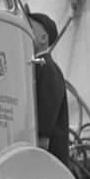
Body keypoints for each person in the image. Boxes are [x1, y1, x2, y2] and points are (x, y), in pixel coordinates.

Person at [28, 11, 70, 167]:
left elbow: (46, 113)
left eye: (29, 28)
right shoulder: (39, 66)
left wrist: (40, 152)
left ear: (44, 38)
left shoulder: (47, 68)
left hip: (50, 158)